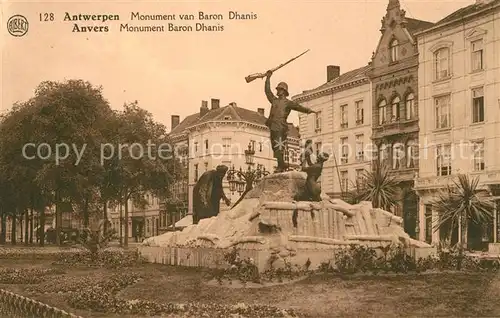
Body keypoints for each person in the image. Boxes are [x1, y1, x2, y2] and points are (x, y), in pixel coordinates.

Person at [264, 70, 316, 172]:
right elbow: (267, 91)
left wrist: (308, 110)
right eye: (277, 89)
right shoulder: (274, 100)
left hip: (281, 127)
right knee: (275, 147)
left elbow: (297, 107)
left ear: (283, 91)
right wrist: (268, 78)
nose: (277, 91)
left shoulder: (287, 103)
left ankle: (280, 166)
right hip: (273, 126)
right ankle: (281, 164)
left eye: (279, 89)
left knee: (279, 147)